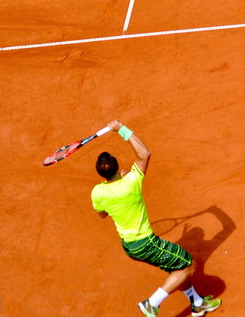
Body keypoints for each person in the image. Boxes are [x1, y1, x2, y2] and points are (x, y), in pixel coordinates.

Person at [91, 119, 222, 317]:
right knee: (189, 265)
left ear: (101, 173)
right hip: (146, 244)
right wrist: (120, 129)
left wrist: (119, 187)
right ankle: (152, 304)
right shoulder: (131, 182)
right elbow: (144, 153)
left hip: (129, 246)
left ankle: (197, 304)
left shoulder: (98, 193)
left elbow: (103, 213)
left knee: (176, 267)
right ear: (117, 167)